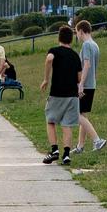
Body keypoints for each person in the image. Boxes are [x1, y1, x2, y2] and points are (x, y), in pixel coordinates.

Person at [40, 25, 82, 165]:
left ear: (59, 38)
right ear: (71, 39)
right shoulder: (75, 55)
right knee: (67, 125)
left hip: (57, 94)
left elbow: (49, 59)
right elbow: (79, 78)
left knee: (50, 121)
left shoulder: (54, 51)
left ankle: (54, 150)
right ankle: (66, 155)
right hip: (72, 96)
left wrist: (46, 78)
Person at [72, 20, 107, 154]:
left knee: (76, 114)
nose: (77, 36)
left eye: (77, 33)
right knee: (83, 115)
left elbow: (86, 65)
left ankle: (97, 140)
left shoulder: (86, 45)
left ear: (81, 31)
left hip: (85, 84)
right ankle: (80, 146)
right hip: (91, 84)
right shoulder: (95, 45)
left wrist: (80, 84)